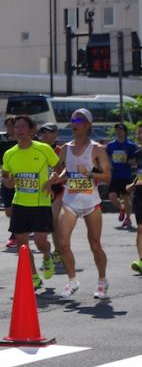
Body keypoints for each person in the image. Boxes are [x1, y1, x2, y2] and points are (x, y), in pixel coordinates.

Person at [51, 108, 112, 299]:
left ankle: (102, 281)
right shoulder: (64, 149)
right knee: (62, 243)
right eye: (73, 120)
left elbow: (107, 177)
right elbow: (63, 171)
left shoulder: (97, 149)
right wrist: (57, 178)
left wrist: (90, 174)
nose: (75, 123)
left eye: (79, 121)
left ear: (88, 125)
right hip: (69, 201)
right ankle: (72, 281)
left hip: (91, 202)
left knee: (95, 244)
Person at [1, 115, 59, 290]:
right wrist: (7, 182)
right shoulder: (9, 154)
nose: (18, 130)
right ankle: (34, 277)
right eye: (16, 127)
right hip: (20, 203)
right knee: (22, 245)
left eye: (22, 126)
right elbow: (5, 176)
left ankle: (47, 257)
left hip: (41, 203)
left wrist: (51, 180)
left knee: (41, 242)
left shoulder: (43, 149)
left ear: (32, 130)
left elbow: (60, 170)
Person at [38, 122, 63, 266]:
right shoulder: (37, 150)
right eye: (43, 132)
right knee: (41, 227)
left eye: (48, 132)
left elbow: (65, 172)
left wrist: (53, 182)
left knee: (54, 221)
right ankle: (47, 255)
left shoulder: (61, 150)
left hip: (58, 190)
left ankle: (58, 252)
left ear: (56, 134)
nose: (45, 135)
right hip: (40, 192)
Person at [106, 123, 137, 228]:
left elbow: (135, 159)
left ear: (125, 132)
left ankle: (128, 219)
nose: (118, 132)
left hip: (126, 176)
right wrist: (109, 164)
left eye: (121, 130)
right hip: (114, 175)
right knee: (112, 197)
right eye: (117, 130)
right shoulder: (111, 145)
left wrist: (130, 161)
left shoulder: (131, 145)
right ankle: (122, 208)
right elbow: (105, 157)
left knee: (127, 198)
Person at [0, 115, 18, 248]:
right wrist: (3, 178)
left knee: (17, 209)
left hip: (20, 181)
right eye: (8, 126)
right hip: (6, 180)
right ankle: (21, 227)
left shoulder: (22, 144)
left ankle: (14, 235)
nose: (10, 129)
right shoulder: (2, 145)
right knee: (9, 212)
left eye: (13, 126)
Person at [128, 125, 142, 275]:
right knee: (140, 229)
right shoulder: (138, 154)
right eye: (139, 133)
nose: (140, 136)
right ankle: (141, 261)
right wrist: (132, 184)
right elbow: (140, 174)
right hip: (139, 196)